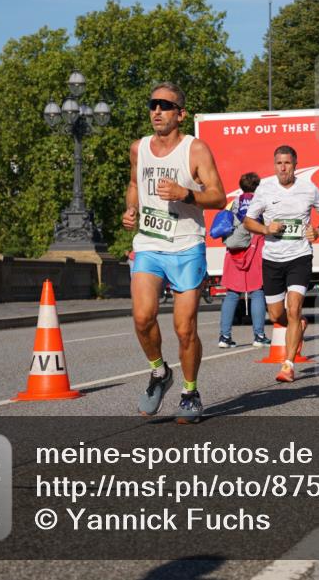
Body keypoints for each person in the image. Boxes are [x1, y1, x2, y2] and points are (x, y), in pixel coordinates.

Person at [123, 82, 226, 423]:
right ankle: (158, 373)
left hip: (186, 245)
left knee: (184, 329)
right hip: (149, 243)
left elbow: (218, 196)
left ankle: (189, 392)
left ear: (180, 114)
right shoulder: (139, 149)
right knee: (142, 316)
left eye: (165, 106)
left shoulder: (195, 150)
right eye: (152, 104)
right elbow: (135, 185)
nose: (156, 111)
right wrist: (131, 210)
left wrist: (186, 193)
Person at [244, 145, 319, 383]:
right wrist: (265, 228)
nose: (283, 167)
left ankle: (288, 364)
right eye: (279, 163)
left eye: (287, 163)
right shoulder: (264, 188)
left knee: (293, 308)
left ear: (295, 164)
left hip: (300, 256)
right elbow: (248, 221)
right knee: (277, 315)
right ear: (274, 165)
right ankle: (299, 325)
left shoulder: (308, 188)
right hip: (272, 258)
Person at [218, 172, 271, 348]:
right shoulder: (261, 201)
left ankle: (224, 337)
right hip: (255, 249)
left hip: (234, 250)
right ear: (258, 186)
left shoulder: (233, 203)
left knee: (232, 293)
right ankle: (259, 335)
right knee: (257, 292)